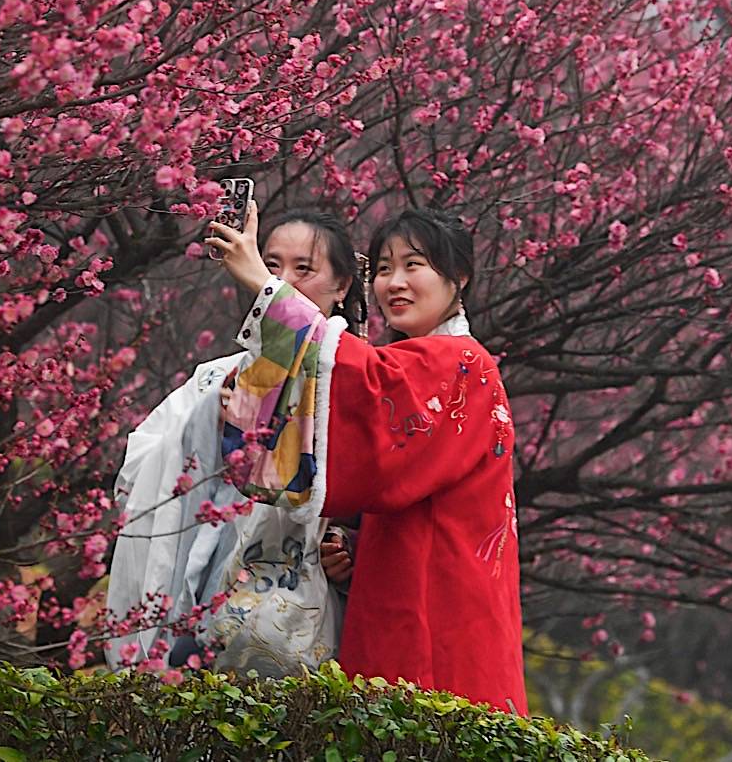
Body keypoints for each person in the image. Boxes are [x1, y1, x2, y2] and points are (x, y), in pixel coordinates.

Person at [203, 201, 526, 714]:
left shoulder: (462, 362)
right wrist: (350, 543)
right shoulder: (432, 361)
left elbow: (365, 389)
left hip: (437, 604)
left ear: (459, 276)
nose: (394, 282)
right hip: (412, 583)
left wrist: (268, 291)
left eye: (413, 265)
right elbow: (390, 474)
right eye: (383, 269)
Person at [105, 208, 367, 670]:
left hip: (294, 622)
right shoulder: (215, 379)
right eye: (271, 266)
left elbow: (373, 501)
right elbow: (134, 476)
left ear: (342, 285)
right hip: (195, 603)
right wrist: (210, 424)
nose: (283, 280)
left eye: (303, 269)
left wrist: (346, 548)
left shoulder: (358, 381)